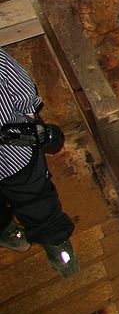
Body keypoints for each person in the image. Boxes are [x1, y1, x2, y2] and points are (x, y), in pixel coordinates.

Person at [0, 47, 77, 277]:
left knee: (35, 199)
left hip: (14, 150)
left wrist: (28, 117)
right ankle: (5, 230)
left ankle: (54, 239)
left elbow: (18, 82)